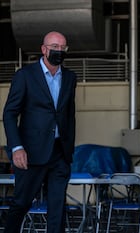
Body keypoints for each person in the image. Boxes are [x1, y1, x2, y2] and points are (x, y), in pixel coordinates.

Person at [3, 31, 77, 233]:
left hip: (59, 154)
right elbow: (9, 113)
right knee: (21, 203)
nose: (59, 51)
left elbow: (69, 115)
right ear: (44, 49)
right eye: (55, 47)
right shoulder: (25, 76)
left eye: (63, 48)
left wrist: (69, 148)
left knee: (57, 209)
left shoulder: (70, 78)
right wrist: (16, 147)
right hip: (30, 154)